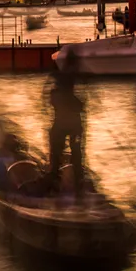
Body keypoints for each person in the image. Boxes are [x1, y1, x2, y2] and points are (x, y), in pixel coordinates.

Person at [47, 56, 86, 199]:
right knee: (75, 153)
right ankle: (77, 181)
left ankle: (55, 180)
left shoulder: (55, 94)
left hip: (63, 125)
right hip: (73, 125)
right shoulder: (71, 97)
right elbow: (80, 106)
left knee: (57, 153)